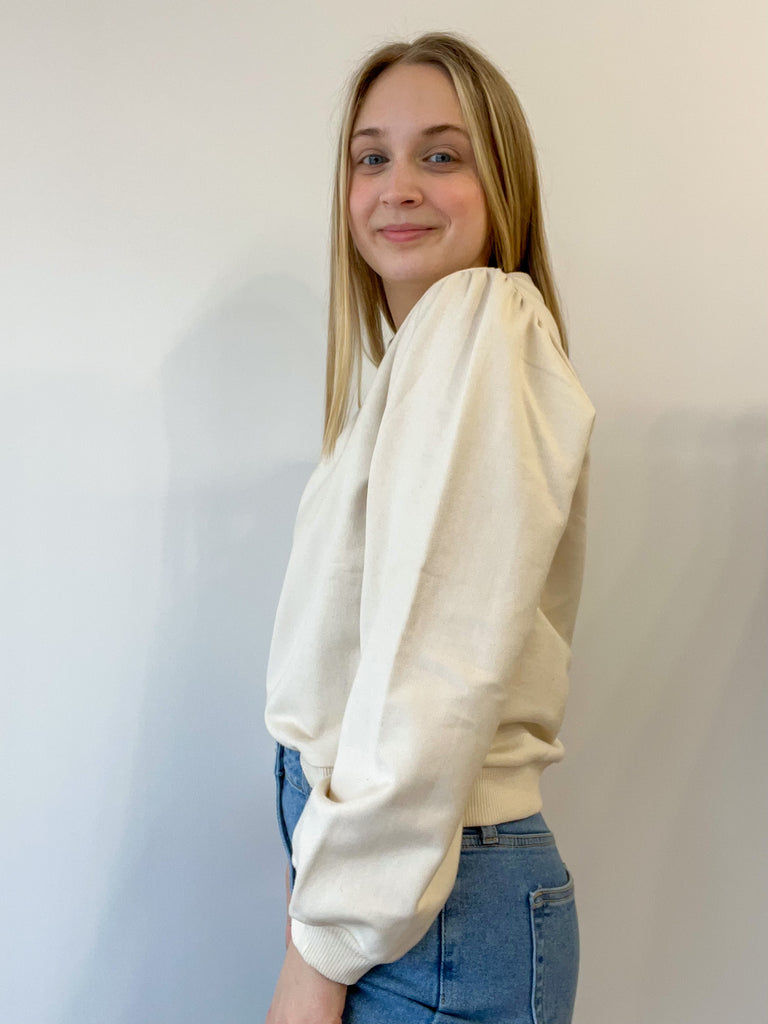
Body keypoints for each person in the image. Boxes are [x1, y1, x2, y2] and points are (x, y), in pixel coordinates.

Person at [264, 31, 596, 1024]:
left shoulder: (480, 325)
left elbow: (431, 674)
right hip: (412, 899)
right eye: (371, 157)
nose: (397, 186)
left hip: (427, 910)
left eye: (440, 155)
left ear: (503, 185)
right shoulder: (423, 358)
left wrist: (316, 962)